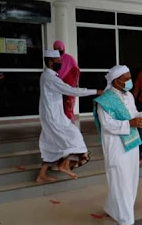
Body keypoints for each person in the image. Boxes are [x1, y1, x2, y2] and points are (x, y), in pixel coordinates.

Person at [94, 65, 142, 225]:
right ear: (116, 81)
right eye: (126, 79)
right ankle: (125, 219)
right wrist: (131, 123)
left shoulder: (129, 96)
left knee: (130, 179)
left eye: (129, 78)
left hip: (131, 142)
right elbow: (107, 124)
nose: (129, 82)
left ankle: (112, 208)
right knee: (120, 180)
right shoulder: (105, 101)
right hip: (116, 145)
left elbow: (133, 114)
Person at [37, 49, 103, 183]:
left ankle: (42, 175)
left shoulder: (49, 76)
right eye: (58, 62)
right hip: (53, 117)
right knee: (74, 136)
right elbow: (71, 90)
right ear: (50, 62)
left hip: (53, 115)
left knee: (51, 143)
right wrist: (96, 91)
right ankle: (63, 165)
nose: (60, 64)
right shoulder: (50, 78)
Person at [52, 40, 81, 122]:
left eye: (59, 48)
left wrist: (75, 83)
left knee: (68, 105)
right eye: (55, 48)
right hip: (58, 86)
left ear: (63, 48)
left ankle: (69, 124)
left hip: (69, 85)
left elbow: (76, 71)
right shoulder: (53, 60)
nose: (58, 50)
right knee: (58, 105)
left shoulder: (69, 58)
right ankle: (60, 124)